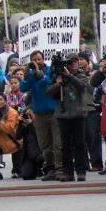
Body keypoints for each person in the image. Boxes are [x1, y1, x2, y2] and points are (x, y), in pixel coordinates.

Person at [46, 54, 90, 182]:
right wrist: (57, 84)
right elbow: (48, 92)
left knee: (80, 144)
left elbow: (83, 87)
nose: (74, 64)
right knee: (65, 145)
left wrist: (69, 76)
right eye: (70, 62)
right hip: (63, 114)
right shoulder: (58, 76)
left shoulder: (81, 75)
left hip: (78, 114)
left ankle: (81, 171)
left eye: (75, 62)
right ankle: (68, 172)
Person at [20, 51, 61, 181]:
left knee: (57, 143)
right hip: (39, 113)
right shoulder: (31, 74)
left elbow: (48, 84)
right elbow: (23, 88)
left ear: (43, 59)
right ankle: (50, 168)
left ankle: (60, 169)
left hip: (53, 111)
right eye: (34, 60)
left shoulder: (50, 70)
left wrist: (38, 72)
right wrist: (26, 75)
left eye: (39, 59)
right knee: (45, 144)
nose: (37, 62)